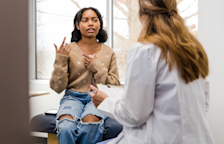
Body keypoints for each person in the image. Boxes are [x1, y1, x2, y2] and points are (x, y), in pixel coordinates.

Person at [89, 0, 215, 144]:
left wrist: (105, 102)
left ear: (142, 15)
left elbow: (133, 116)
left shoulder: (145, 51)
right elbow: (203, 105)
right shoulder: (195, 50)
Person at [49, 7, 120, 144]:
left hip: (98, 97)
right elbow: (57, 87)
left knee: (90, 125)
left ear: (99, 24)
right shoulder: (68, 50)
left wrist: (98, 67)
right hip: (72, 97)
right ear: (77, 25)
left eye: (95, 20)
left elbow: (114, 85)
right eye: (85, 20)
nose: (91, 23)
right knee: (65, 126)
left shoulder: (108, 52)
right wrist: (60, 59)